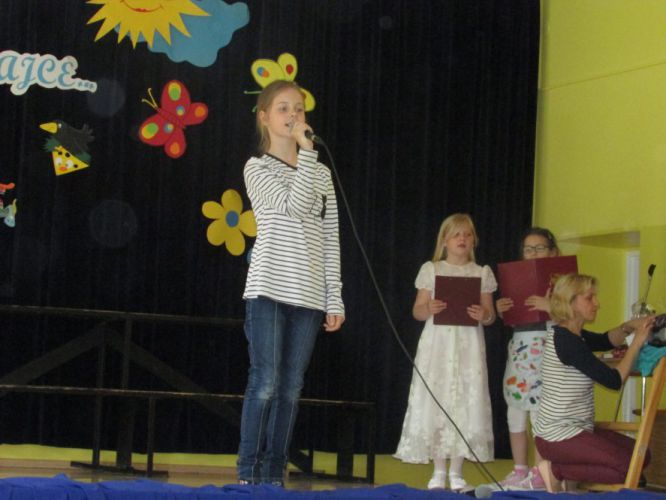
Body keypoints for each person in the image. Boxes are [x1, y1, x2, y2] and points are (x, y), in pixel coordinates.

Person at [238, 80, 345, 486]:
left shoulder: (321, 174)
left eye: (299, 108)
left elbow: (330, 239)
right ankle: (248, 473)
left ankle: (273, 474)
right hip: (269, 288)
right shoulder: (257, 168)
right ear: (265, 117)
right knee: (265, 382)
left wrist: (334, 298)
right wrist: (308, 155)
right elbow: (293, 208)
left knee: (291, 388)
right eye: (283, 108)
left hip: (310, 295)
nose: (293, 115)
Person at [394, 213, 497, 492]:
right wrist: (429, 308)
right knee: (437, 397)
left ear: (474, 240)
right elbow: (417, 311)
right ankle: (439, 471)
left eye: (467, 234)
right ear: (444, 241)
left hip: (468, 345)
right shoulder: (432, 269)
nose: (462, 239)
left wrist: (484, 314)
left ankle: (457, 471)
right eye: (456, 234)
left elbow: (490, 315)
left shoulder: (481, 273)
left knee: (466, 399)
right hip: (438, 344)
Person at [533, 274, 655, 492]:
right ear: (571, 302)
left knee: (642, 455)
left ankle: (564, 471)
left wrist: (628, 326)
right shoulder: (566, 341)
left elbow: (606, 340)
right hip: (558, 436)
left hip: (578, 429)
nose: (597, 303)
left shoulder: (575, 335)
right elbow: (614, 380)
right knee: (630, 469)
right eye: (589, 298)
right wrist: (637, 342)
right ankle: (556, 470)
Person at [495, 227, 560, 490]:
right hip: (520, 352)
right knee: (515, 411)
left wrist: (550, 307)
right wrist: (502, 310)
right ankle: (519, 469)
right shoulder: (516, 278)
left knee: (539, 413)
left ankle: (541, 471)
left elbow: (575, 316)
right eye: (528, 249)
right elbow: (512, 317)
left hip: (546, 351)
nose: (533, 253)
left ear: (552, 251)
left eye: (539, 248)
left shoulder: (563, 282)